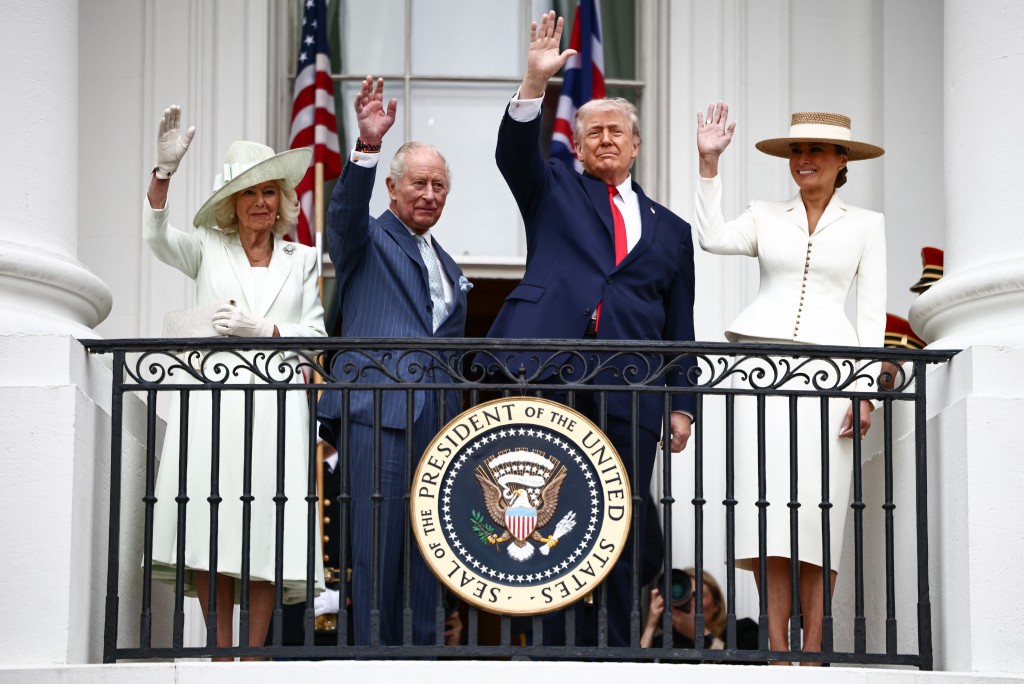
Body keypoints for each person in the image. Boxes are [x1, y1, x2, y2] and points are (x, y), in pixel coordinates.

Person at [484, 11, 696, 647]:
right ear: (576, 146)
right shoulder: (553, 188)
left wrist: (681, 405)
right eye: (593, 132)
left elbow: (679, 324)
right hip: (550, 376)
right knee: (555, 515)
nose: (604, 139)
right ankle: (554, 649)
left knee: (622, 521)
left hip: (632, 391)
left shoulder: (672, 229)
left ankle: (615, 646)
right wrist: (533, 83)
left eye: (616, 131)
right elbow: (512, 154)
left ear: (635, 145)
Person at [694, 102, 886, 660]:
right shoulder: (763, 214)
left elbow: (871, 315)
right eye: (797, 151)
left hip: (833, 379)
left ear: (840, 159)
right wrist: (709, 165)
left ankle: (815, 645)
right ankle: (778, 648)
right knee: (769, 515)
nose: (804, 160)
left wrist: (865, 389)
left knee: (820, 514)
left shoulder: (867, 225)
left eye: (816, 151)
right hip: (762, 374)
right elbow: (711, 238)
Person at [144, 106, 327, 658]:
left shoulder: (303, 259)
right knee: (210, 519)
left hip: (276, 405)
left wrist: (266, 329)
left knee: (268, 524)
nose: (261, 203)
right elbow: (157, 237)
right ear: (232, 203)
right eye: (249, 194)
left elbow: (315, 334)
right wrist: (164, 173)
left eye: (270, 193)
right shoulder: (207, 247)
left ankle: (253, 655)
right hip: (211, 406)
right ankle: (218, 653)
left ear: (283, 202)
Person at [317, 76, 469, 646]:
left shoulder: (450, 266)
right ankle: (370, 667)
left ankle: (421, 664)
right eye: (418, 183)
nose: (429, 194)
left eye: (438, 186)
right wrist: (367, 145)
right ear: (392, 188)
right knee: (376, 554)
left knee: (430, 554)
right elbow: (345, 213)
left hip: (437, 427)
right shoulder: (367, 239)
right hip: (377, 414)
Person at [641, 568, 759, 652]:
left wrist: (699, 634)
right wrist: (651, 626)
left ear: (716, 606)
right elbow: (635, 673)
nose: (690, 602)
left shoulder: (743, 631)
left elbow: (747, 674)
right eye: (683, 595)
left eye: (698, 596)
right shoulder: (666, 642)